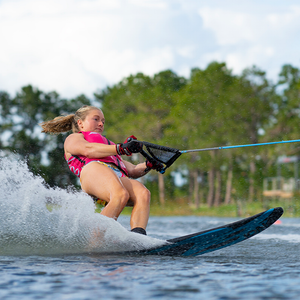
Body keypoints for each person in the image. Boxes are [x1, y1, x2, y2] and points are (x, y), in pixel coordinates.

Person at [40, 105, 162, 235]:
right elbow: (88, 150)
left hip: (114, 175)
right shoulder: (75, 138)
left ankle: (139, 237)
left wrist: (149, 164)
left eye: (103, 121)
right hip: (92, 172)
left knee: (142, 193)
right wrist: (121, 148)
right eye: (96, 119)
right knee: (120, 194)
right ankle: (96, 242)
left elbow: (132, 170)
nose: (100, 124)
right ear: (80, 123)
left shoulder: (109, 146)